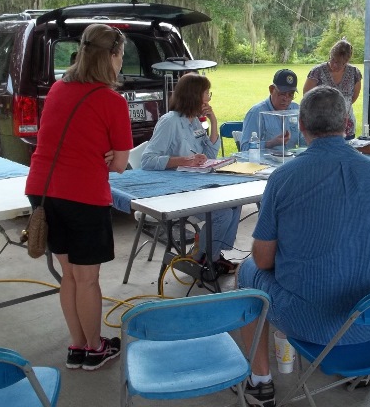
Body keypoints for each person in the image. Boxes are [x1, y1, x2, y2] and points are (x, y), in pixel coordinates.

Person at [237, 86, 370, 407]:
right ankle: (359, 370)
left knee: (246, 271)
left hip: (314, 321)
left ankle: (260, 381)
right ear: (347, 124)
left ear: (299, 124)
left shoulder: (284, 177)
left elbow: (263, 259)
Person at [25, 24, 133, 371]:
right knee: (87, 279)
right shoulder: (111, 100)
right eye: (121, 56)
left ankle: (78, 346)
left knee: (69, 275)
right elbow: (120, 164)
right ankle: (96, 347)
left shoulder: (58, 88)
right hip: (83, 195)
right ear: (113, 57)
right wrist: (105, 153)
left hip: (42, 190)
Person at [141, 73, 240, 275]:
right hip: (175, 191)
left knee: (235, 202)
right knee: (221, 214)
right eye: (206, 93)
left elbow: (210, 153)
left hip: (197, 184)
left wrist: (213, 120)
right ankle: (204, 258)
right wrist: (182, 160)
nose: (209, 98)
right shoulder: (169, 121)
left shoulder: (194, 121)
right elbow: (147, 160)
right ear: (195, 95)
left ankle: (211, 255)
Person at [303, 39, 361, 140]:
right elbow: (307, 96)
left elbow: (354, 97)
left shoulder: (354, 73)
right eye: (332, 60)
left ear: (346, 61)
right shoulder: (317, 72)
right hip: (321, 126)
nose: (334, 65)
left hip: (347, 127)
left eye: (340, 63)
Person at [240, 69, 303, 152]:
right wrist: (271, 143)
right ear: (271, 89)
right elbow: (245, 148)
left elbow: (304, 141)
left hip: (293, 161)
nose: (286, 99)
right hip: (267, 163)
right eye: (282, 94)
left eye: (291, 95)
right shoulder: (256, 112)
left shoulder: (296, 109)